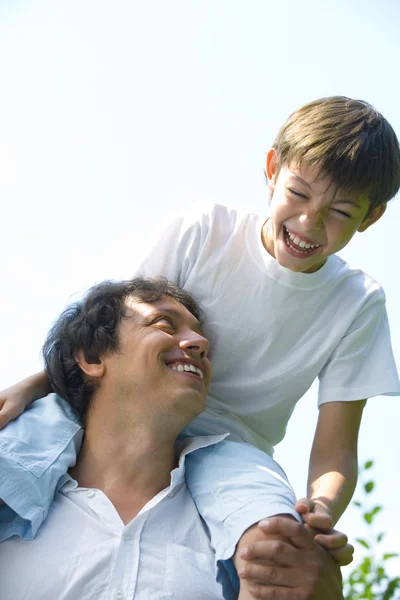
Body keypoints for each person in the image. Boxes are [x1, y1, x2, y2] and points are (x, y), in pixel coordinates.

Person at [1, 96, 399, 598]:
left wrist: (321, 507)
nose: (309, 224)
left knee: (275, 535)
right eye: (298, 193)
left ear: (371, 217)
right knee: (18, 450)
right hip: (125, 407)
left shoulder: (357, 302)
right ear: (273, 169)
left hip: (233, 444)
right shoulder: (205, 230)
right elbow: (115, 329)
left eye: (340, 212)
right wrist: (32, 388)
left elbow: (336, 444)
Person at [0, 277, 343, 600]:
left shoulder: (243, 533)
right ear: (92, 358)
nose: (201, 344)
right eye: (163, 324)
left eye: (200, 336)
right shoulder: (11, 515)